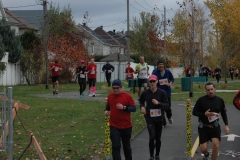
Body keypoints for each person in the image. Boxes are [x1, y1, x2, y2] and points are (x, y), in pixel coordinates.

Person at [192, 82, 230, 160]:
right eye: (208, 90)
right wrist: (204, 114)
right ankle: (206, 155)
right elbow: (194, 112)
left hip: (214, 127)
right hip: (203, 127)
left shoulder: (220, 100)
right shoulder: (201, 100)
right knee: (203, 148)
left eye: (212, 89)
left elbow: (223, 113)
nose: (210, 91)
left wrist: (226, 125)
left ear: (215, 89)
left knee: (215, 146)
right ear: (206, 91)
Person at [104, 79, 136, 160]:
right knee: (115, 145)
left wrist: (124, 107)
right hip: (114, 125)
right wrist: (106, 111)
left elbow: (134, 108)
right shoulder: (110, 96)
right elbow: (108, 106)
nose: (115, 90)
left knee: (126, 146)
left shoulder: (127, 96)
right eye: (113, 88)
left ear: (121, 88)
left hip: (126, 126)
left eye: (117, 88)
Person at [139, 75, 169, 160]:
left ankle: (157, 154)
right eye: (150, 81)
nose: (152, 83)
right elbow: (141, 101)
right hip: (149, 118)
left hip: (159, 118)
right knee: (152, 136)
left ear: (157, 82)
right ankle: (151, 156)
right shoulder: (145, 93)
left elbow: (167, 106)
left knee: (158, 138)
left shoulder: (162, 93)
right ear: (149, 82)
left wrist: (158, 103)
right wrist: (142, 107)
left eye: (153, 81)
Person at [152, 60, 174, 127]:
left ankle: (169, 116)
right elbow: (152, 79)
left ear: (164, 65)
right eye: (159, 64)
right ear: (157, 65)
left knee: (167, 107)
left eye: (162, 64)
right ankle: (163, 122)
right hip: (158, 92)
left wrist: (169, 83)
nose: (161, 65)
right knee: (160, 107)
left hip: (167, 92)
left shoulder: (168, 71)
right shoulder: (155, 72)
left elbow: (172, 79)